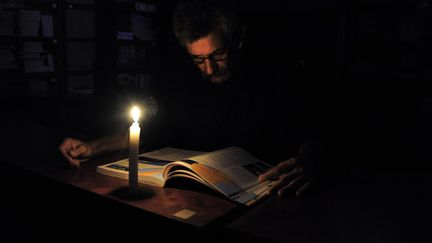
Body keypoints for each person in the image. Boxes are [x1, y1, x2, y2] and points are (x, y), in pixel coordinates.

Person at [59, 0, 319, 197]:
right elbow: (144, 130)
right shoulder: (177, 78)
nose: (209, 69)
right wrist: (93, 147)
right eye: (198, 59)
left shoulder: (274, 74)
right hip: (189, 196)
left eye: (218, 55)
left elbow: (312, 133)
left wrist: (311, 161)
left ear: (237, 40)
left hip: (261, 196)